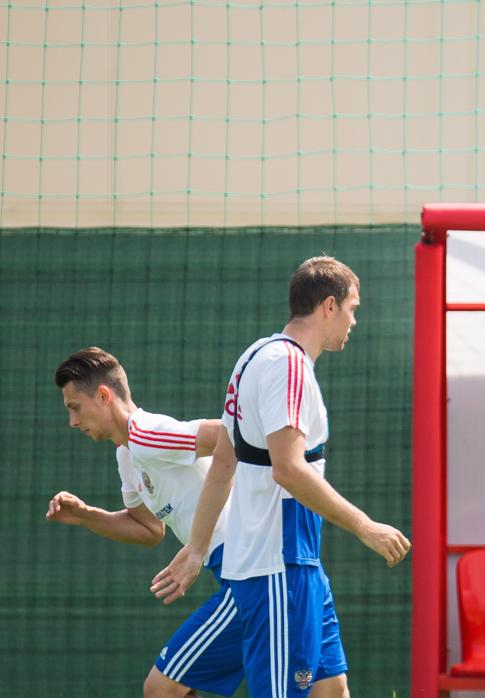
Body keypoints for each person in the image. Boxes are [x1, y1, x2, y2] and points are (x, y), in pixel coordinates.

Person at [150, 257, 411, 697]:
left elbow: (224, 465)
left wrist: (197, 549)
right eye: (352, 308)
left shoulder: (252, 357)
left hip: (297, 565)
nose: (354, 320)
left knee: (332, 690)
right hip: (279, 569)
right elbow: (289, 469)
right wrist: (365, 526)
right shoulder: (288, 366)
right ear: (328, 306)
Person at [47, 347, 243, 697]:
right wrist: (87, 516)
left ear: (104, 395)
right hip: (240, 568)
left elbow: (230, 438)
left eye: (74, 408)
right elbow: (149, 529)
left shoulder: (146, 434)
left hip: (249, 569)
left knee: (160, 689)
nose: (72, 422)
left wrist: (198, 545)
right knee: (329, 689)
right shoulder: (127, 455)